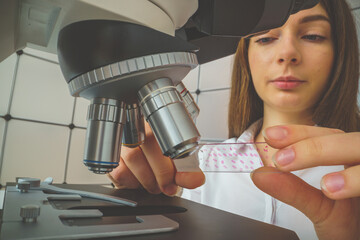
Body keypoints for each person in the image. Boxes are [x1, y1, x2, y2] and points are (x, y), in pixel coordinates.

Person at [108, 0, 360, 239]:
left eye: (312, 35)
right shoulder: (198, 169)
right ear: (246, 56)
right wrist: (139, 200)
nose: (287, 53)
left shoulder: (353, 175)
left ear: (340, 51)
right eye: (265, 37)